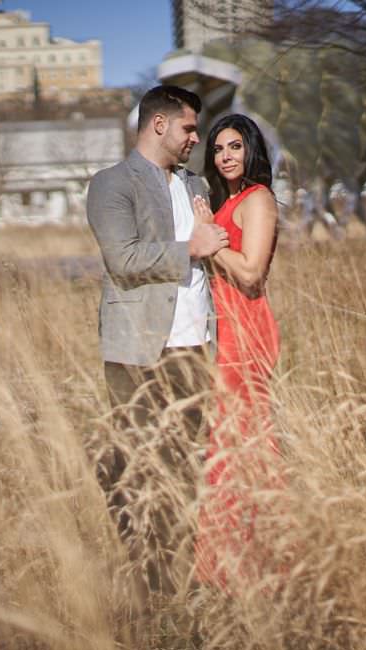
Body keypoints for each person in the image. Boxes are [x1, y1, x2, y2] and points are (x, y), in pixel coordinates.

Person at [86, 85, 229, 598]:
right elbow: (122, 260)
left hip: (195, 348)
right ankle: (147, 580)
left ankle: (185, 577)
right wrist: (189, 246)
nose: (197, 138)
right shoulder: (111, 184)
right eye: (190, 128)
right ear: (160, 125)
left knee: (188, 464)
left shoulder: (197, 185)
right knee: (141, 464)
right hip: (137, 351)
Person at [191, 113, 282, 589]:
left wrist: (209, 244)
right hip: (225, 329)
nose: (225, 156)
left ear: (251, 150)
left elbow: (251, 274)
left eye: (234, 147)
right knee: (228, 444)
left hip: (247, 329)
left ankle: (266, 561)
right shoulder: (227, 202)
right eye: (218, 149)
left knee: (244, 445)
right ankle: (234, 564)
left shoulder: (258, 199)